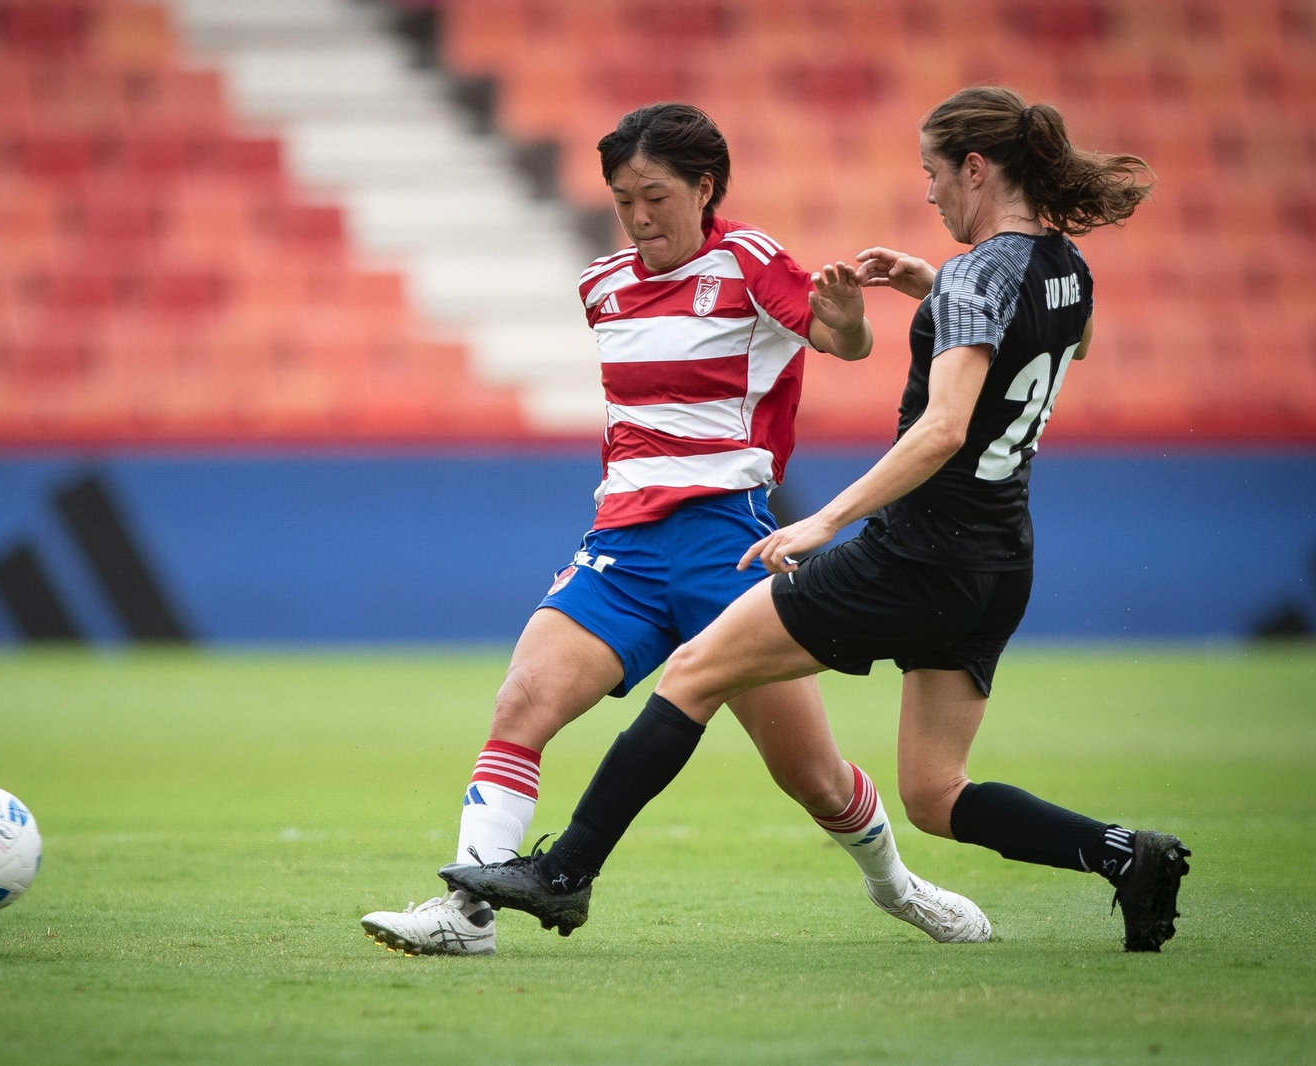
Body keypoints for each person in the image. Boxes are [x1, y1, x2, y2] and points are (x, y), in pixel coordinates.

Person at [443, 86, 1191, 953]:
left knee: (691, 674)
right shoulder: (1064, 267)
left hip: (914, 553)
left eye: (934, 174)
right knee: (936, 795)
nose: (929, 194)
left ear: (976, 170)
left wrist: (821, 521)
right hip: (999, 561)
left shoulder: (972, 275)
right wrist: (937, 289)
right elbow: (1070, 342)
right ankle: (1124, 854)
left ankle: (562, 874)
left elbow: (943, 428)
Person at [362, 104, 990, 956]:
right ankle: (468, 916)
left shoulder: (750, 261)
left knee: (811, 775)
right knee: (522, 703)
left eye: (654, 195)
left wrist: (843, 313)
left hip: (726, 548)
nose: (639, 216)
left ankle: (897, 886)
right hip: (621, 548)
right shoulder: (603, 287)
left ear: (704, 188)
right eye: (623, 199)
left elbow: (839, 342)